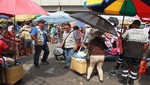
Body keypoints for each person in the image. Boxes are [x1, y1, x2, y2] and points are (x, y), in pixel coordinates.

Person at [118, 20, 149, 85]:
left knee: (125, 67)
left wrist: (121, 35)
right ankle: (131, 81)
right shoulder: (144, 33)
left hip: (128, 53)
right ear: (139, 25)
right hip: (138, 54)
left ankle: (124, 80)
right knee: (135, 68)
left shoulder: (129, 31)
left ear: (133, 24)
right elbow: (146, 44)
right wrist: (142, 52)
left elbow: (123, 38)